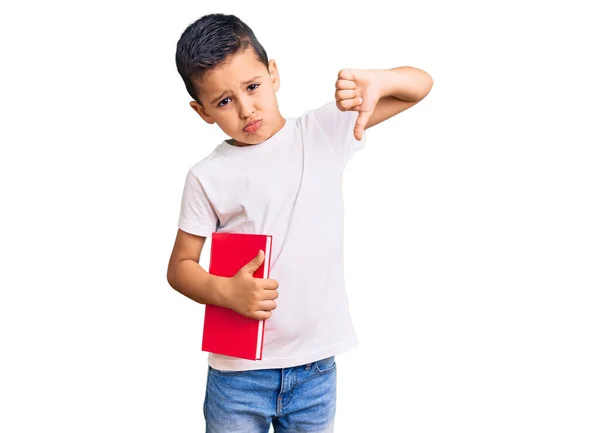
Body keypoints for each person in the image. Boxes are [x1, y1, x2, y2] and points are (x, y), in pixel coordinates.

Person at [167, 12, 433, 433]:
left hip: (315, 371)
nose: (246, 108)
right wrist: (225, 291)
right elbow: (180, 267)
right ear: (202, 112)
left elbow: (419, 86)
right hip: (238, 376)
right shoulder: (206, 176)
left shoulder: (322, 133)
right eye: (223, 101)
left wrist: (380, 80)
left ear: (273, 74)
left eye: (252, 87)